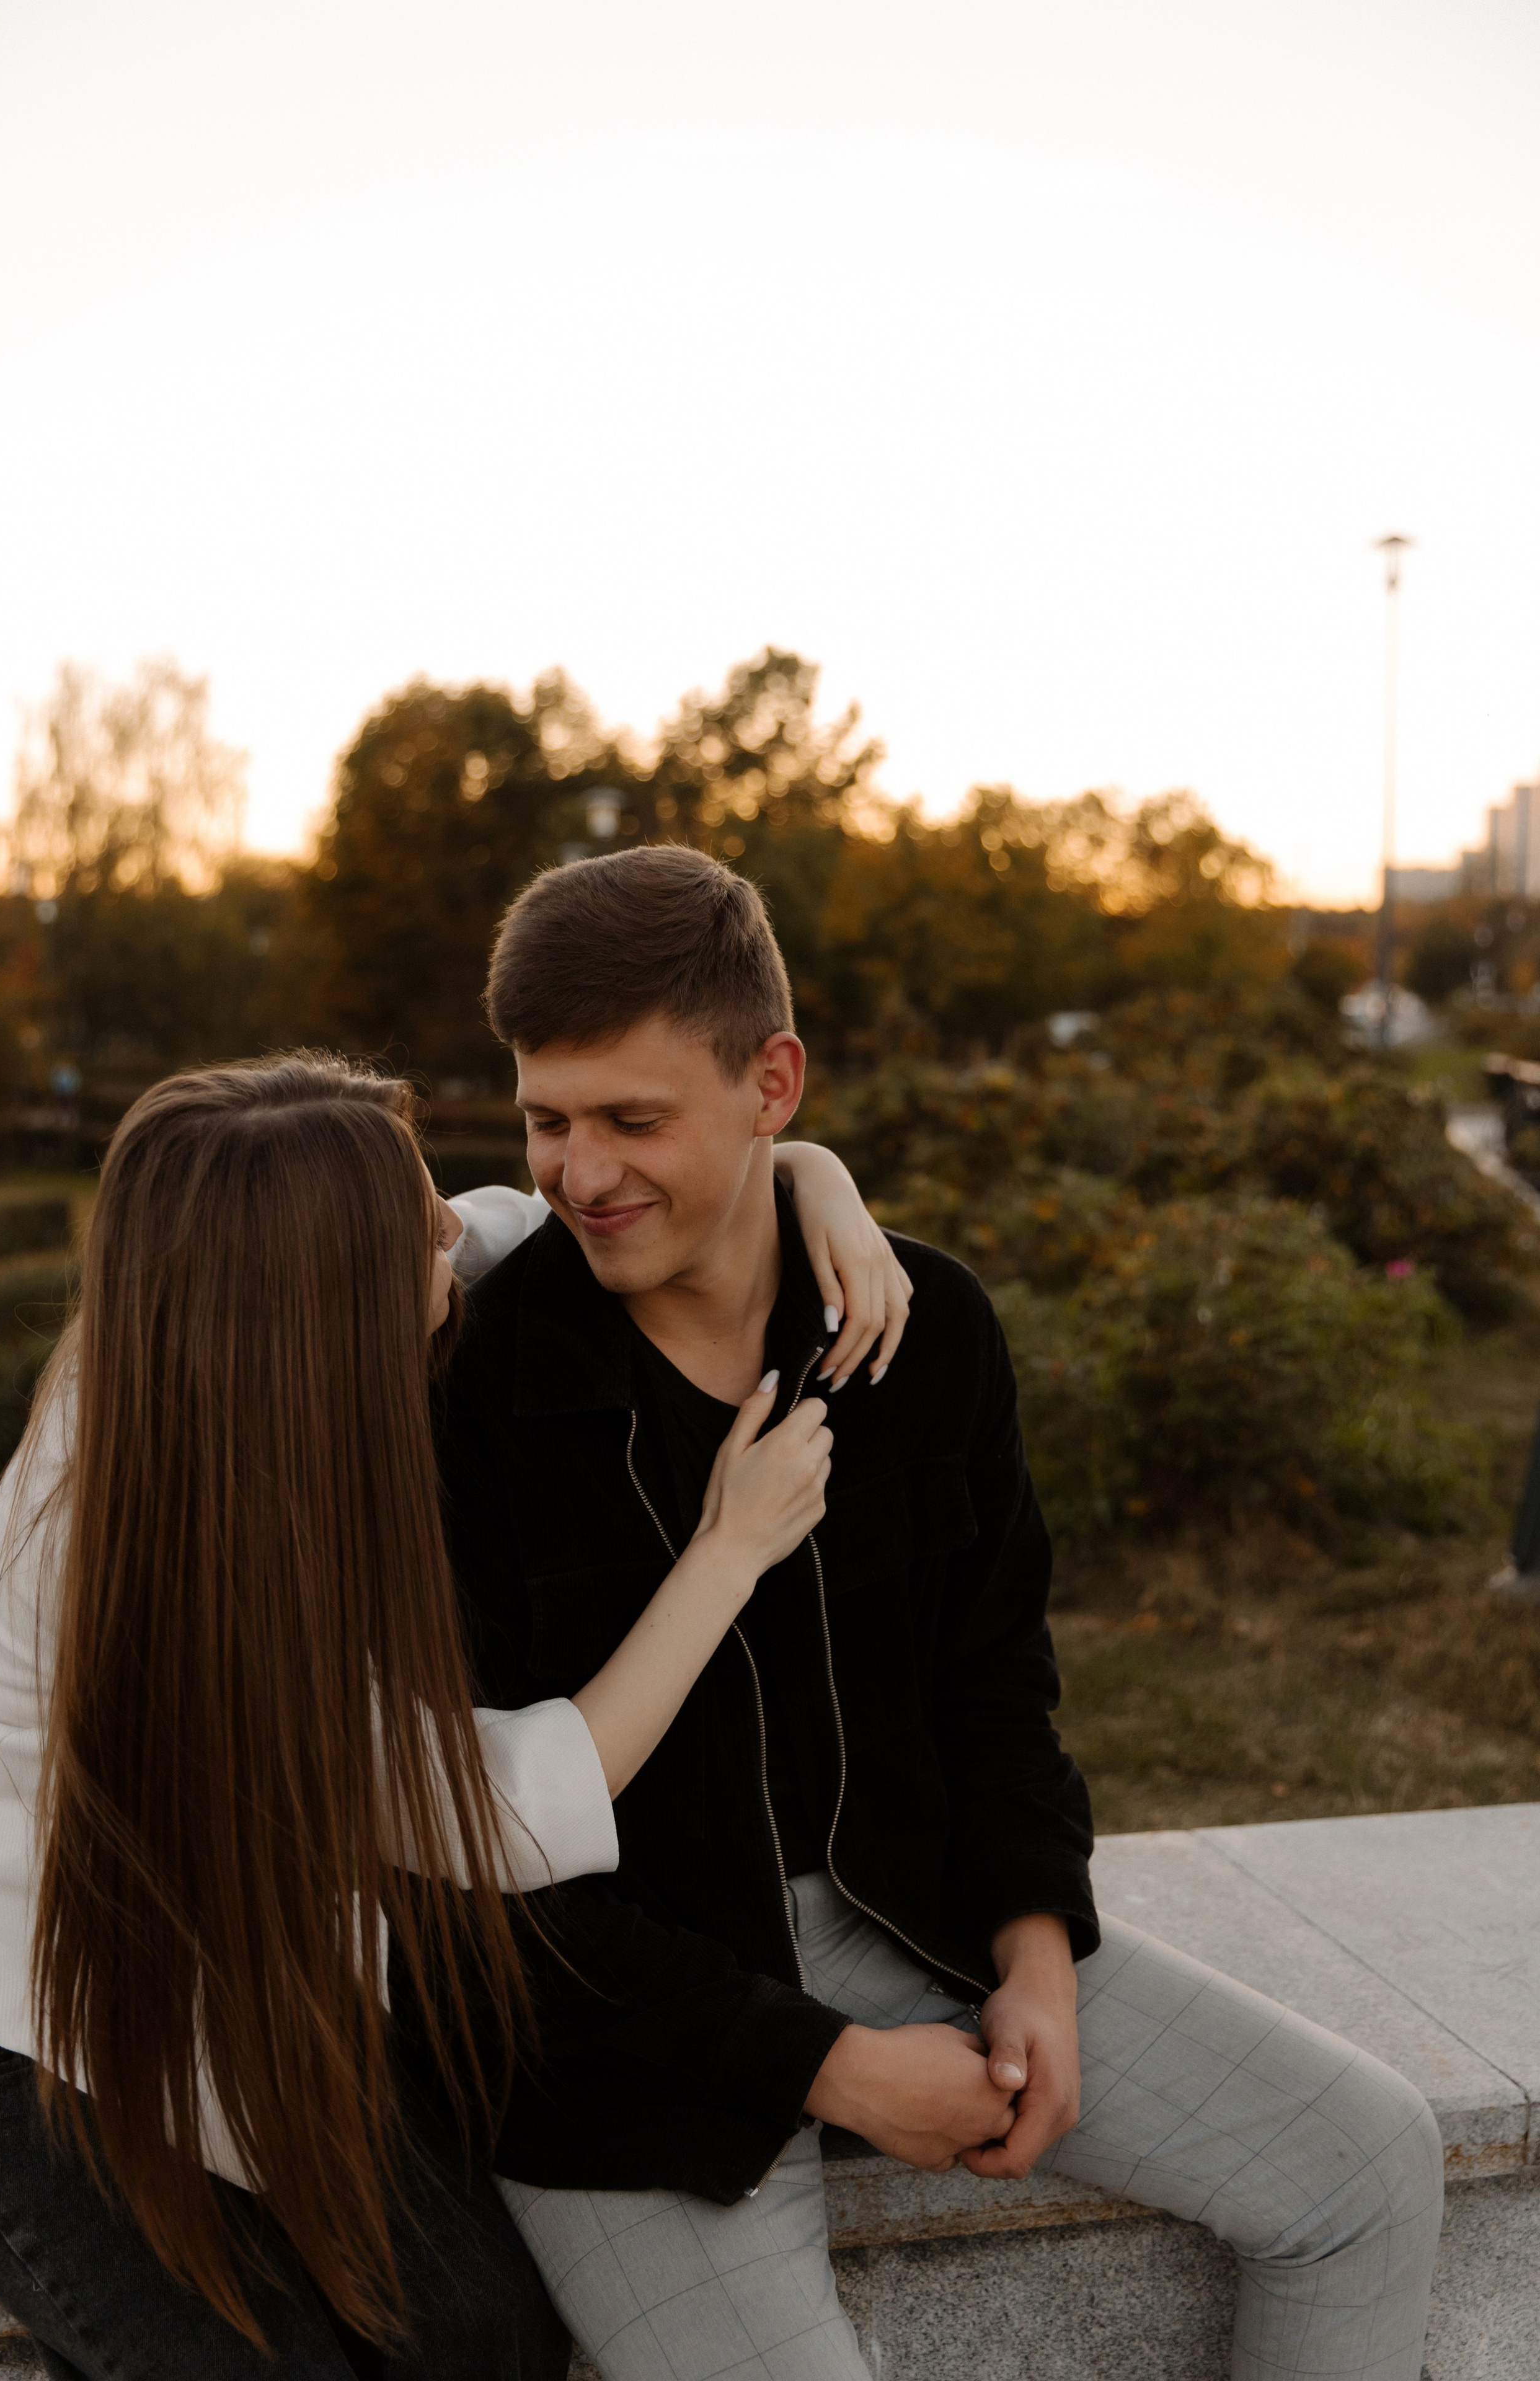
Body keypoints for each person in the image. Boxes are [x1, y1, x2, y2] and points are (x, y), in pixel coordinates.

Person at [433, 843, 1448, 2381]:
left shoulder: (928, 1332)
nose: (580, 1172)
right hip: (613, 2038)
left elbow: (994, 1682)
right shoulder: (475, 1387)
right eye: (546, 1120)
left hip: (915, 1917)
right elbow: (491, 1880)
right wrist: (828, 2070)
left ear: (772, 1086)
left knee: (1367, 2166)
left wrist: (1035, 1948)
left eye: (635, 1120)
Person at [0, 1055, 1001, 2380]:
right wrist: (728, 1553)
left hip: (258, 1972)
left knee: (480, 2331)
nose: (452, 1227)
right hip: (25, 2016)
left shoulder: (234, 1335)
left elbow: (535, 1216)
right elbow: (501, 1815)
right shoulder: (175, 1541)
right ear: (323, 1295)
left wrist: (802, 1174)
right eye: (419, 1225)